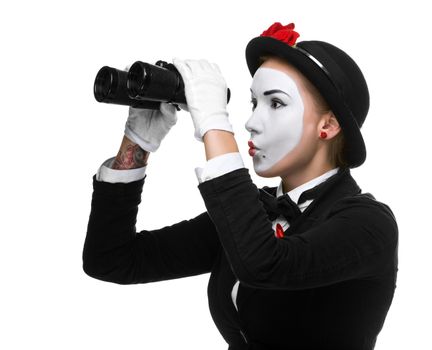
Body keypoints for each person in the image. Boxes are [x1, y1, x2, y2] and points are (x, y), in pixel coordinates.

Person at [83, 22, 399, 350]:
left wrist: (214, 124)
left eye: (276, 103)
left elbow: (265, 264)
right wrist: (138, 142)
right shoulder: (253, 214)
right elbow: (111, 259)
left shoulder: (370, 225)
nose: (250, 123)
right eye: (253, 103)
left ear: (328, 125)